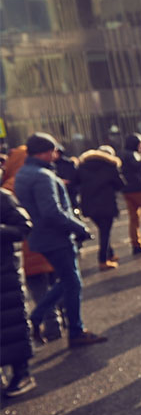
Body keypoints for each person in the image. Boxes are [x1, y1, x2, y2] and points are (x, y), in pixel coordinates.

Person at [12, 133, 108, 349]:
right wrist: (79, 227)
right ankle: (74, 331)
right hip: (56, 238)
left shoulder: (24, 173)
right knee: (72, 283)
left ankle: (40, 317)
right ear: (45, 152)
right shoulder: (43, 176)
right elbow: (52, 212)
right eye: (53, 150)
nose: (56, 154)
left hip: (40, 237)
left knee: (67, 281)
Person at [1, 146, 63, 341]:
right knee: (54, 284)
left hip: (28, 248)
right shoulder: (40, 177)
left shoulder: (10, 186)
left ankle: (52, 326)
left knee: (40, 288)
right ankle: (61, 322)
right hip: (48, 240)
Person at [0, 183, 35, 397]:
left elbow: (24, 227)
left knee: (11, 324)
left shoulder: (3, 197)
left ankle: (22, 373)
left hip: (4, 274)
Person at [76, 145, 125, 271]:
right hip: (106, 204)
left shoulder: (82, 166)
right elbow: (120, 185)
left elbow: (75, 183)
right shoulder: (110, 166)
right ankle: (103, 260)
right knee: (105, 232)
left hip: (89, 205)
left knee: (103, 230)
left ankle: (110, 254)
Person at [119, 133, 141, 255]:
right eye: (140, 143)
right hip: (138, 189)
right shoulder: (131, 154)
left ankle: (136, 243)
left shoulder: (123, 154)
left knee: (134, 218)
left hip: (128, 190)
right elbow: (136, 165)